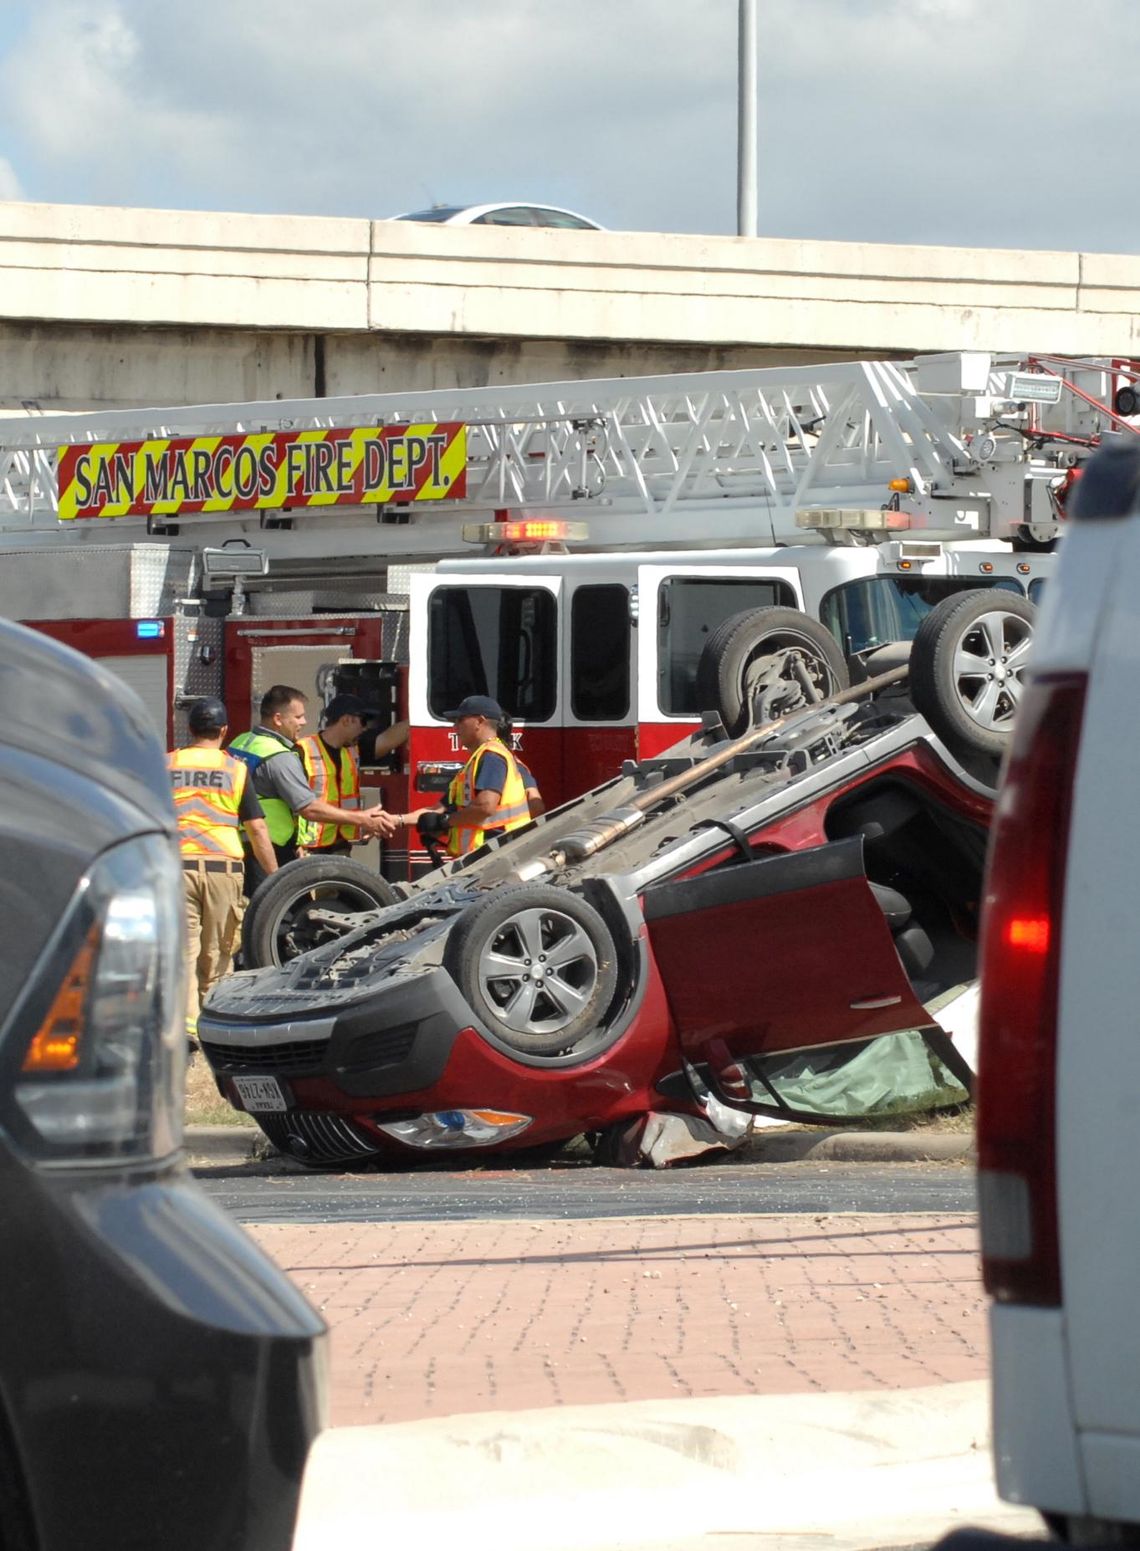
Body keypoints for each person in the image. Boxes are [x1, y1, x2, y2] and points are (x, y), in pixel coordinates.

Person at [168, 696, 277, 1045]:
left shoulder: (166, 765)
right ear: (224, 731)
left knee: (184, 949)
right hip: (221, 867)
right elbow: (257, 829)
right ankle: (212, 1023)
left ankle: (186, 1025)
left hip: (176, 867)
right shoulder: (235, 769)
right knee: (218, 949)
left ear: (189, 729)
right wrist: (276, 877)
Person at [229, 684, 395, 892]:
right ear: (278, 719)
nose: (304, 722)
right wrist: (363, 819)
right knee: (282, 914)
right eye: (298, 717)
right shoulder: (279, 756)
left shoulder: (241, 742)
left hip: (236, 844)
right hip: (269, 846)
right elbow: (308, 808)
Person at [393, 694, 530, 857]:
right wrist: (396, 820)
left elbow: (485, 807)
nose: (455, 727)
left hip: (496, 855)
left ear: (479, 721)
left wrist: (444, 822)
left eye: (460, 720)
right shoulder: (479, 759)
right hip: (489, 855)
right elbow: (438, 810)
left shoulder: (492, 756)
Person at [497, 713, 545, 818]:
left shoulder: (501, 763)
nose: (456, 727)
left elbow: (537, 807)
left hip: (503, 833)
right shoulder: (509, 761)